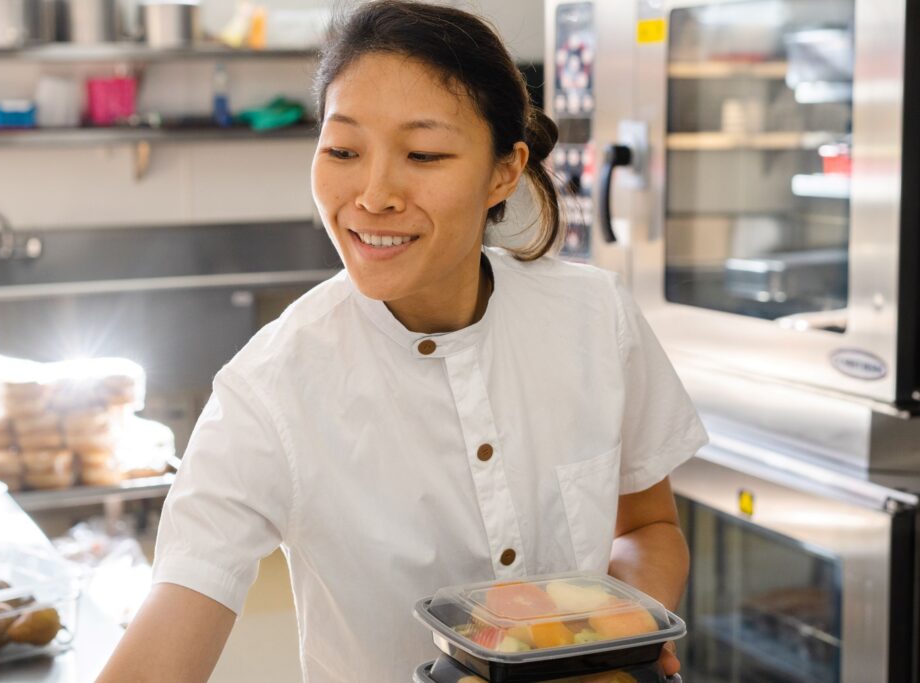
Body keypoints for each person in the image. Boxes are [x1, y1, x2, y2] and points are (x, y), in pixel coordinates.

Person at [97, 2, 708, 681]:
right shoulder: (271, 389)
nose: (374, 193)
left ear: (504, 171)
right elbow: (172, 625)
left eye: (423, 154)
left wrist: (614, 640)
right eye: (343, 150)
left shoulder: (596, 319)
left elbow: (646, 527)